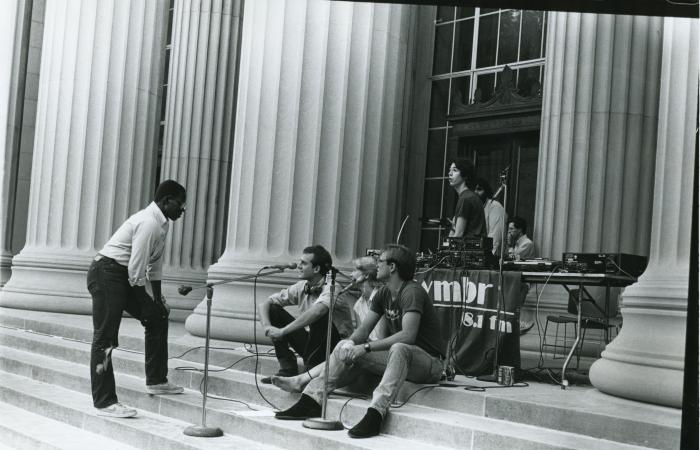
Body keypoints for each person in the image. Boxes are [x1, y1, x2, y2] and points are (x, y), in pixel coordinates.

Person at [274, 244, 445, 439]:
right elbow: (363, 330)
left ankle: (375, 415)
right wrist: (349, 344)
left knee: (400, 347)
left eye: (380, 261)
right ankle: (311, 400)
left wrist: (365, 347)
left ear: (393, 267)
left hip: (429, 364)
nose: (376, 265)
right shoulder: (384, 293)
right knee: (342, 345)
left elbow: (408, 336)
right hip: (399, 359)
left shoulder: (411, 291)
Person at [87, 180, 187, 418]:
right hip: (107, 273)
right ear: (166, 201)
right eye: (180, 205)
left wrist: (158, 300)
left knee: (158, 316)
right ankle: (104, 402)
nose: (182, 211)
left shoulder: (162, 224)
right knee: (105, 337)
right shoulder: (149, 223)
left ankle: (156, 380)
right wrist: (145, 300)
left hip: (122, 275)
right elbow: (136, 270)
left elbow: (155, 266)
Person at [271, 255, 388, 393]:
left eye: (355, 270)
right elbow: (362, 332)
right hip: (364, 348)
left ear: (366, 275)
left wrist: (357, 345)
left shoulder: (381, 299)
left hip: (378, 349)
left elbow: (381, 336)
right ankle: (304, 381)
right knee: (343, 349)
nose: (351, 273)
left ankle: (303, 381)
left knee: (344, 350)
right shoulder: (359, 303)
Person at [259, 245, 354, 383]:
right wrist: (268, 327)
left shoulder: (332, 286)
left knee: (318, 316)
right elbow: (265, 303)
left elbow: (318, 311)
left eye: (303, 263)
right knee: (273, 309)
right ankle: (287, 369)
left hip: (334, 348)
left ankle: (308, 375)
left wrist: (283, 331)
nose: (298, 266)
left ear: (316, 269)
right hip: (312, 345)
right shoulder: (302, 286)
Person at [506, 216, 536, 334]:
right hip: (515, 280)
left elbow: (511, 259)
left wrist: (509, 245)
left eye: (511, 229)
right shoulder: (518, 243)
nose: (509, 232)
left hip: (522, 282)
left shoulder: (527, 244)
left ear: (520, 230)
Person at [447, 159, 486, 239]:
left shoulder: (465, 198)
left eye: (454, 170)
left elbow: (458, 235)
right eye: (450, 170)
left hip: (467, 250)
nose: (450, 173)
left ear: (465, 175)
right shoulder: (470, 196)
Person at [474, 178, 506, 257]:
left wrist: (485, 259)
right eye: (473, 190)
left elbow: (495, 240)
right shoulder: (475, 209)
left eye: (479, 189)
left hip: (492, 261)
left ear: (486, 192)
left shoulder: (495, 207)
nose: (475, 192)